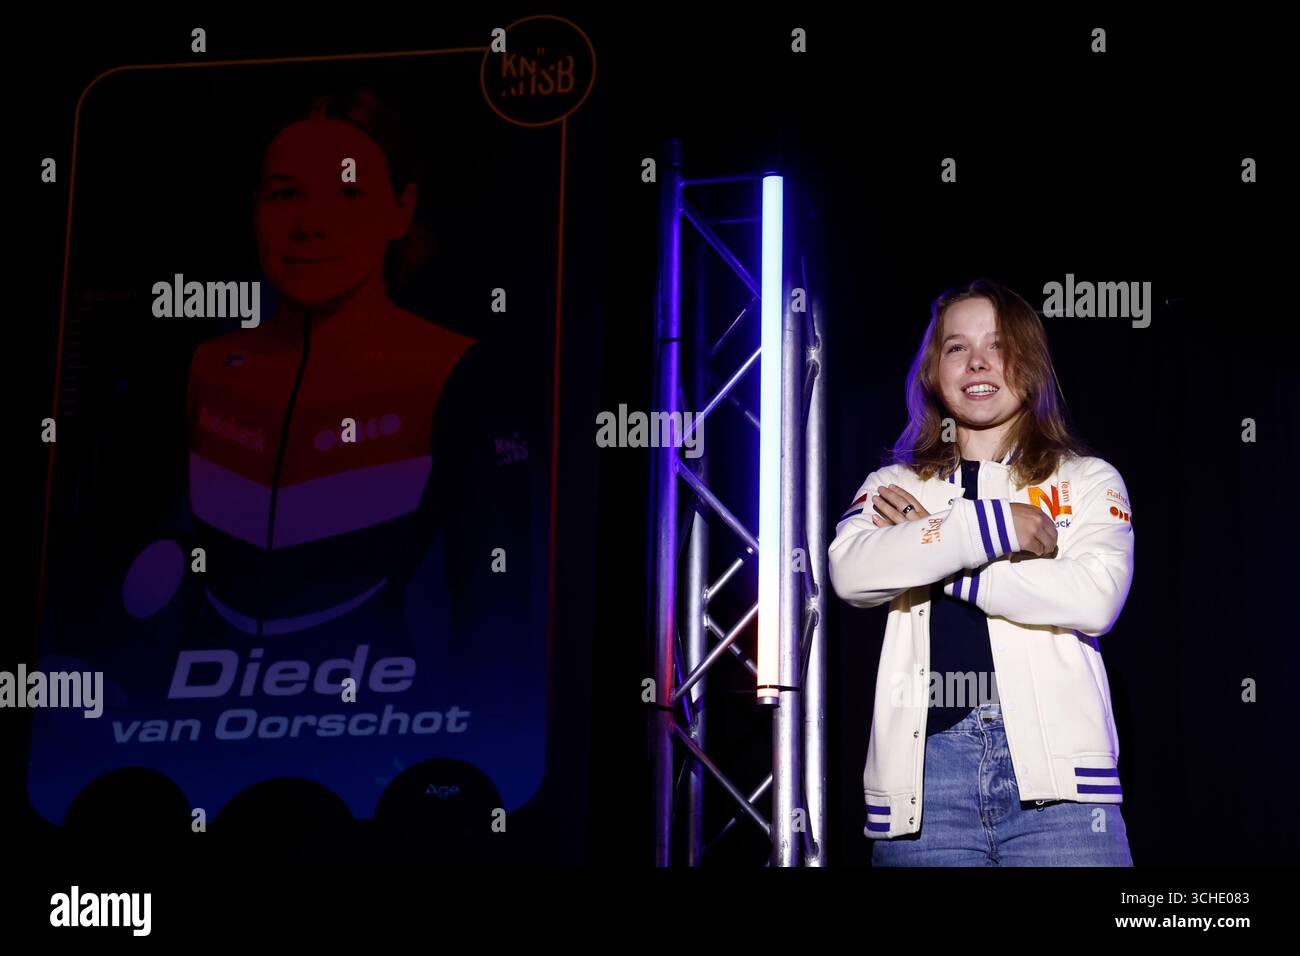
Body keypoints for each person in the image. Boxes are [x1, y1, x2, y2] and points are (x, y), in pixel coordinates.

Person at [828, 278, 1136, 866]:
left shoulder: (1089, 479)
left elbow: (1093, 599)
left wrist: (938, 554)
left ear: (1029, 361)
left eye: (998, 344)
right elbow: (851, 574)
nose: (977, 362)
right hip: (925, 785)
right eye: (955, 347)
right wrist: (989, 530)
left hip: (1062, 791)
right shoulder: (893, 486)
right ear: (933, 372)